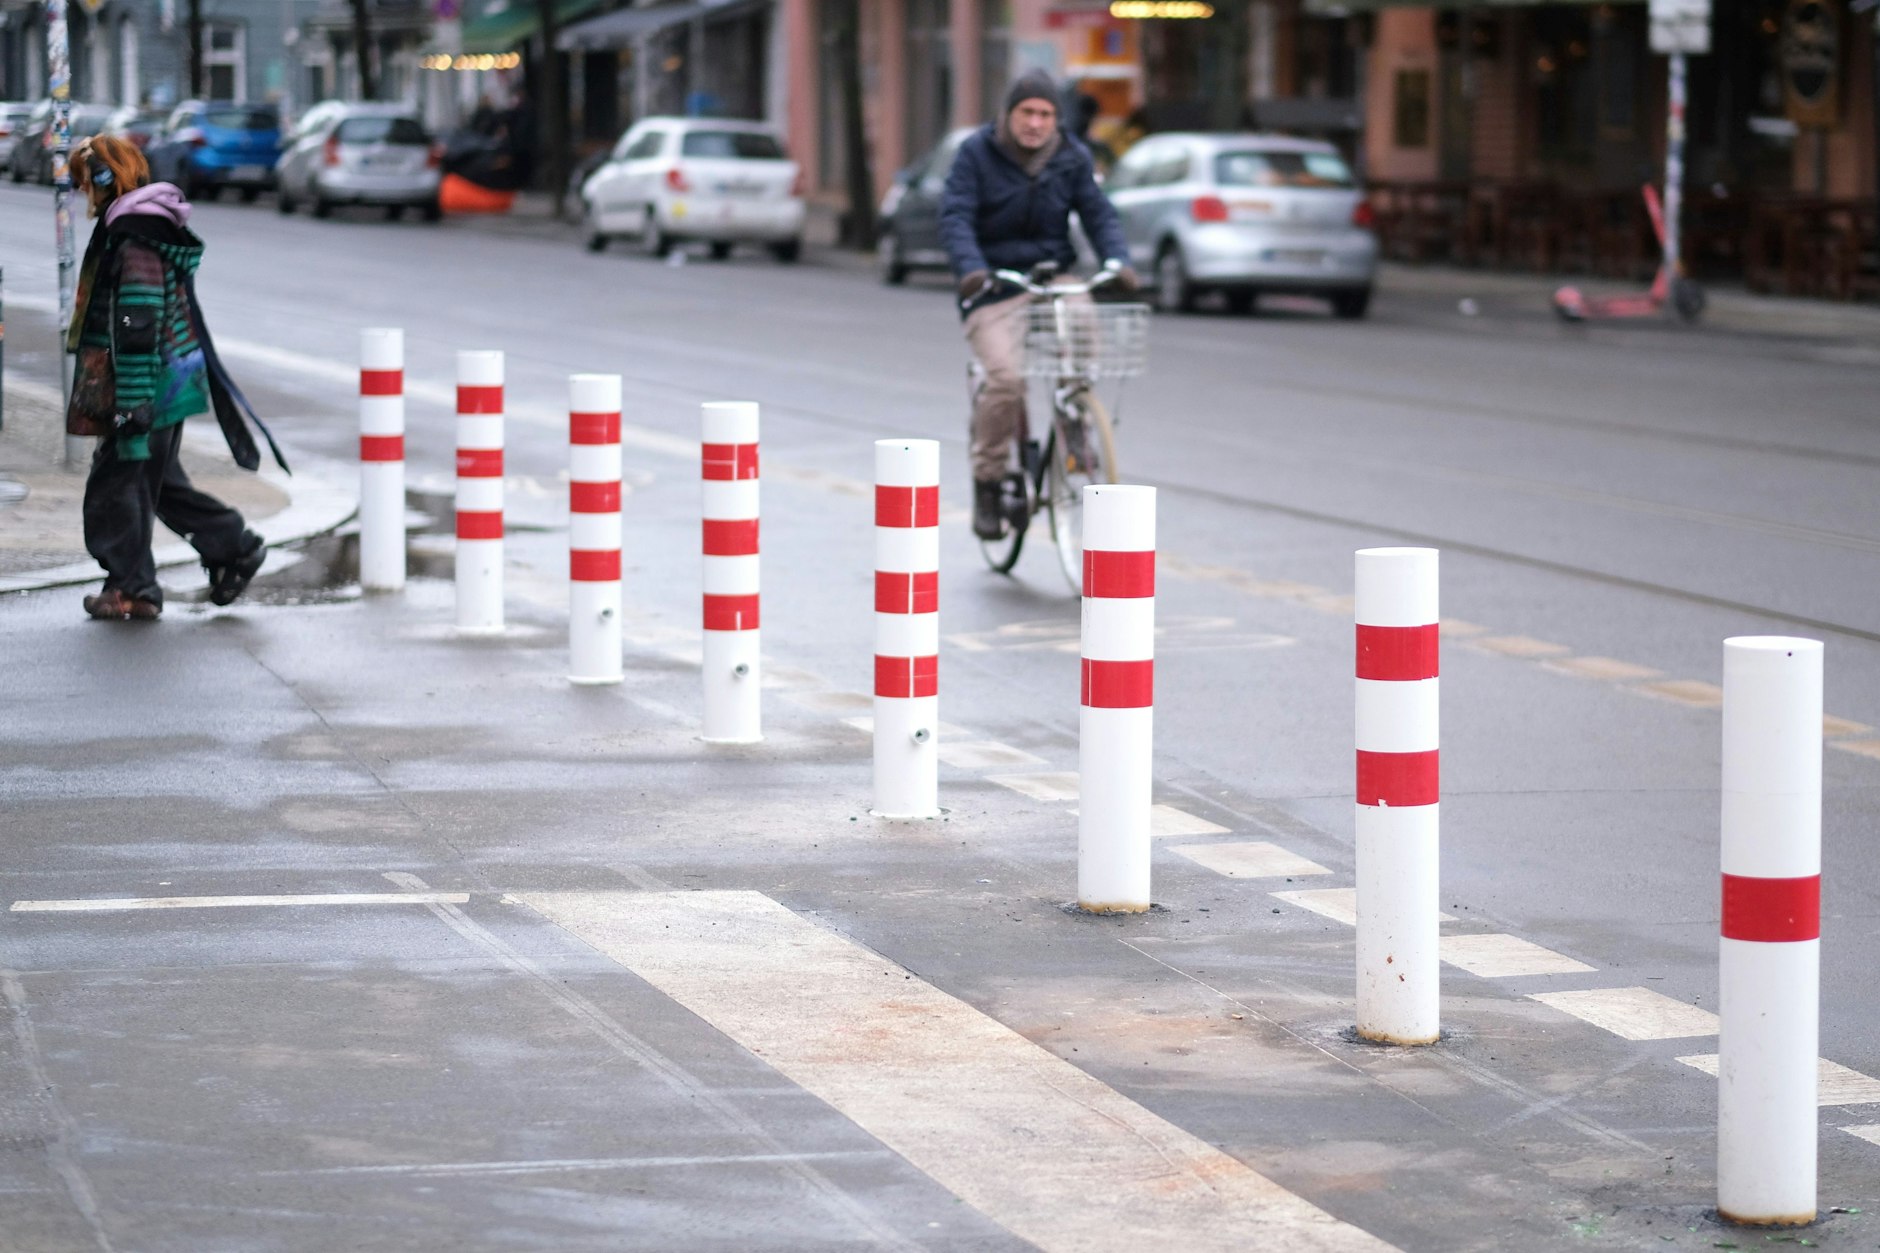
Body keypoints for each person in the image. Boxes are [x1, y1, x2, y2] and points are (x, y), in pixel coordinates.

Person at [67, 135, 287, 621]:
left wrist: (131, 405)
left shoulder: (134, 234)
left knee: (115, 489)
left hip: (150, 385)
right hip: (165, 382)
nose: (83, 194)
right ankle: (233, 548)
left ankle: (130, 588)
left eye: (85, 182)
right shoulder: (140, 223)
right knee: (157, 484)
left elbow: (139, 324)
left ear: (105, 179)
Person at [938, 70, 1137, 540]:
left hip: (1052, 273)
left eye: (1045, 114)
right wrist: (971, 268)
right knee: (1006, 379)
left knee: (1084, 321)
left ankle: (1075, 420)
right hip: (993, 281)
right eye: (1027, 112)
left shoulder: (1071, 156)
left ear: (1056, 120)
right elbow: (956, 215)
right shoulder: (975, 154)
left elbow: (1098, 213)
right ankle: (987, 481)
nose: (1035, 123)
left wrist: (1118, 260)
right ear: (1007, 115)